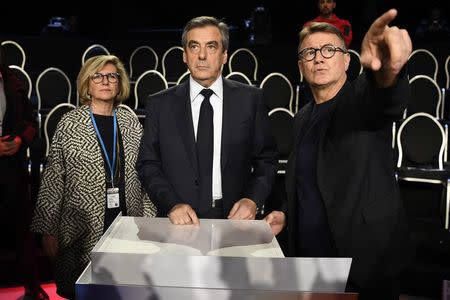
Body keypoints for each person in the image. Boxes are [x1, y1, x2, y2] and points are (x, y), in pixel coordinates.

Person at [264, 9, 413, 300]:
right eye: (309, 52)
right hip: (310, 265)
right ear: (300, 65)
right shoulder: (302, 117)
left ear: (347, 60)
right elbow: (305, 179)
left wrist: (386, 71)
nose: (319, 57)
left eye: (329, 50)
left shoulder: (359, 100)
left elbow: (385, 98)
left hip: (363, 264)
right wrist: (284, 212)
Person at [30, 55, 156, 299]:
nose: (105, 81)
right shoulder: (70, 123)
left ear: (120, 84)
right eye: (97, 76)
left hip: (127, 220)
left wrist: (149, 219)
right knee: (85, 290)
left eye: (112, 76)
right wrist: (48, 229)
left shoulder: (130, 121)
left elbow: (144, 173)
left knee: (124, 290)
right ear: (87, 84)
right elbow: (54, 178)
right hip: (81, 225)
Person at [136, 16, 278, 225]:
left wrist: (252, 200)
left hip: (234, 220)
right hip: (178, 221)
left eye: (211, 47)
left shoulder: (250, 100)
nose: (202, 56)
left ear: (224, 55)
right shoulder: (160, 104)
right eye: (194, 47)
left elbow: (266, 159)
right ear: (185, 55)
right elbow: (148, 164)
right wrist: (172, 204)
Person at [0, 45, 49, 300]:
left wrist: (20, 140)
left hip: (12, 168)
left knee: (24, 230)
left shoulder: (12, 81)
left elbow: (31, 120)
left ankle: (32, 287)